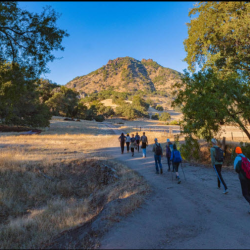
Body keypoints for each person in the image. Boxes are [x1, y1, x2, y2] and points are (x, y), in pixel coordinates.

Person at [234, 147, 250, 214]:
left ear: (236, 152)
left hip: (243, 178)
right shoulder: (246, 158)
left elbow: (236, 169)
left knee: (245, 194)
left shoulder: (237, 159)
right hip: (249, 177)